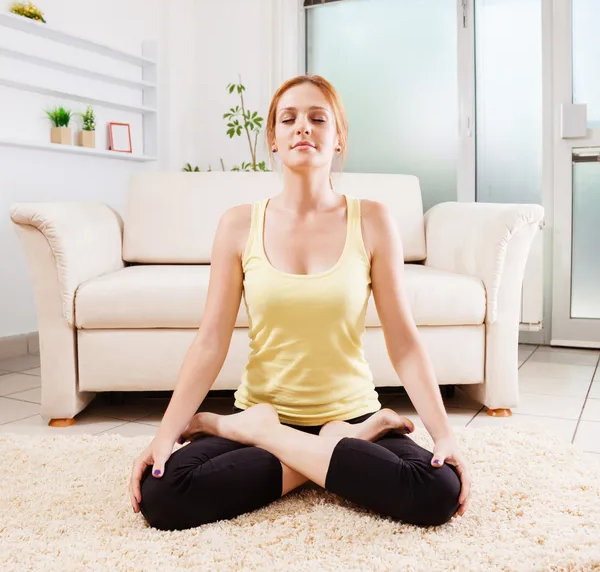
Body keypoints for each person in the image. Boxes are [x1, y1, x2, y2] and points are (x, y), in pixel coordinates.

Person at [129, 75, 472, 531]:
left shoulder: (372, 220)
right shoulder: (237, 225)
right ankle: (334, 451)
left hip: (347, 414)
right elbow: (210, 342)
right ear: (273, 138)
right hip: (265, 406)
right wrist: (165, 434)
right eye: (288, 119)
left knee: (440, 490)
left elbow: (404, 342)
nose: (302, 128)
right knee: (163, 494)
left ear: (338, 137)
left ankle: (273, 435)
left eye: (317, 118)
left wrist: (444, 434)